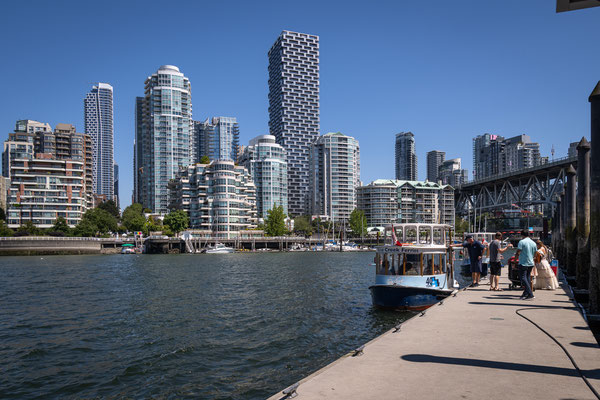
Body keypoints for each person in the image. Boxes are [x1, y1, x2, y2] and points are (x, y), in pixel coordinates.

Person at [515, 230, 537, 300]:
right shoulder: (533, 243)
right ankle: (525, 293)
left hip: (523, 262)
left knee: (523, 278)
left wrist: (515, 260)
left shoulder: (522, 242)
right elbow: (535, 253)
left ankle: (530, 294)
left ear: (522, 235)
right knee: (527, 278)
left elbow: (518, 251)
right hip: (531, 262)